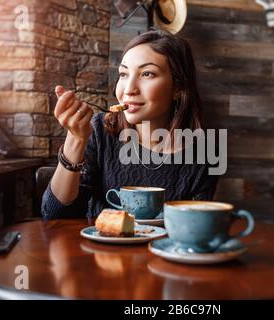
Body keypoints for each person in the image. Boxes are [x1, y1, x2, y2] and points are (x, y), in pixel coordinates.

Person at [41, 29, 220, 219]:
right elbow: (54, 217)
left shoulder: (205, 153)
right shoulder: (100, 131)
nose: (129, 89)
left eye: (147, 74)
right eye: (124, 74)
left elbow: (194, 227)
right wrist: (76, 139)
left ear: (178, 88)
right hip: (99, 248)